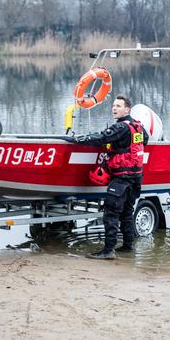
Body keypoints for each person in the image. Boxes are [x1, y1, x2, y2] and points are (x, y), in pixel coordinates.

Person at [70, 95, 149, 260]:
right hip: (136, 177)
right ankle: (128, 246)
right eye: (113, 106)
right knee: (127, 213)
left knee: (111, 214)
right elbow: (145, 141)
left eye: (118, 106)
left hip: (121, 178)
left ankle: (108, 251)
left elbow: (102, 138)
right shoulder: (139, 126)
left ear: (127, 109)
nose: (114, 108)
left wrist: (79, 139)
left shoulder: (120, 127)